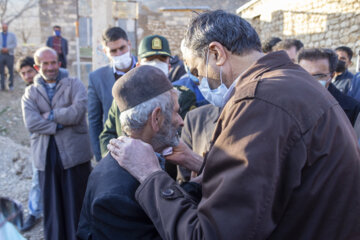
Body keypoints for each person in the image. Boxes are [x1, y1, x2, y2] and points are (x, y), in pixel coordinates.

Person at [108, 10, 360, 239]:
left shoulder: (258, 102)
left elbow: (211, 234)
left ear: (216, 54)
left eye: (196, 71)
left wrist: (150, 175)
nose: (198, 82)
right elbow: (272, 173)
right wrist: (201, 164)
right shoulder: (290, 81)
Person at [77, 65, 184, 239]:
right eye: (176, 112)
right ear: (156, 119)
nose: (181, 122)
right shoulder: (116, 198)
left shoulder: (153, 157)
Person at [21, 47, 92, 240]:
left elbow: (78, 111)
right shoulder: (30, 93)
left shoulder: (74, 84)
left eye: (53, 62)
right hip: (46, 156)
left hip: (74, 155)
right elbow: (32, 122)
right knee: (53, 206)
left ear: (59, 63)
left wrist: (51, 116)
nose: (50, 67)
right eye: (45, 63)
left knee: (76, 203)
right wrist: (60, 124)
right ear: (37, 66)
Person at [98, 34, 196, 160]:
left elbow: (184, 137)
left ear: (169, 66)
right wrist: (115, 159)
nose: (155, 63)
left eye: (162, 59)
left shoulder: (183, 96)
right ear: (138, 66)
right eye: (149, 59)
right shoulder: (123, 98)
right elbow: (107, 134)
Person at [88, 26, 137, 161]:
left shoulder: (145, 67)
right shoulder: (97, 78)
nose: (119, 53)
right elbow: (94, 120)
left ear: (129, 44)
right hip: (116, 150)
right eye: (113, 51)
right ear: (105, 52)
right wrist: (100, 157)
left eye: (122, 48)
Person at [298, 48, 360, 126]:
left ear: (331, 76)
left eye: (318, 76)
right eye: (304, 75)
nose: (309, 81)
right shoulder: (287, 102)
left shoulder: (352, 109)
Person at [0, 22, 17, 91]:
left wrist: (7, 48)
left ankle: (11, 86)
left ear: (7, 27)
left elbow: (14, 44)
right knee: (1, 71)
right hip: (1, 54)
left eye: (5, 27)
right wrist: (2, 49)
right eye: (3, 27)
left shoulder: (12, 35)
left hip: (9, 54)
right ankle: (2, 86)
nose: (4, 28)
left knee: (10, 71)